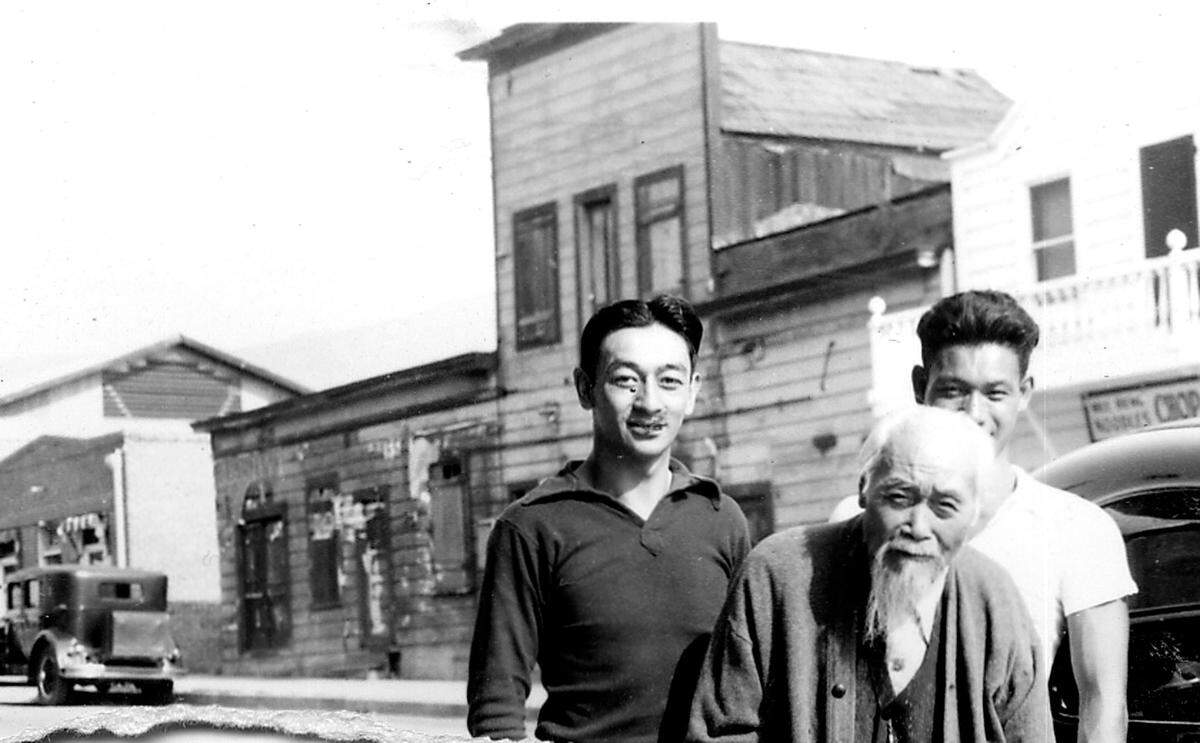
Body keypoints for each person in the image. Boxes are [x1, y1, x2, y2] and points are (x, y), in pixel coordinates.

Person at [468, 295, 751, 743]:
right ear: (585, 388)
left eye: (670, 381)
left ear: (693, 391)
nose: (650, 403)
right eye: (626, 381)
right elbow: (496, 713)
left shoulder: (721, 518)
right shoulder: (531, 526)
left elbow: (746, 682)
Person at [687, 406, 1049, 742]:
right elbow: (721, 733)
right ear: (864, 488)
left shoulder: (995, 603)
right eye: (899, 497)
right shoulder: (776, 576)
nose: (918, 526)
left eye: (945, 505)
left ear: (973, 513)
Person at [912, 289, 1137, 742]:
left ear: (1024, 393)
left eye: (995, 392)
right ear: (921, 387)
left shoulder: (1077, 528)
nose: (974, 414)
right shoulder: (879, 523)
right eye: (953, 391)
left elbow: (1104, 706)